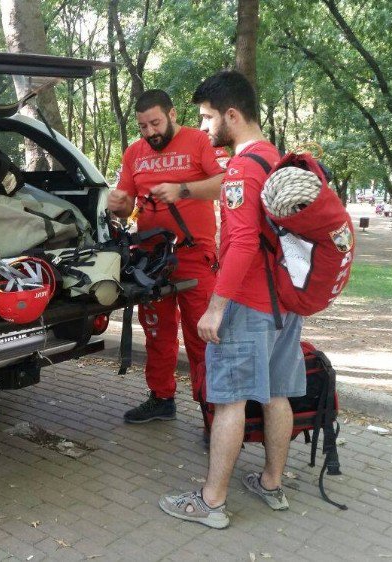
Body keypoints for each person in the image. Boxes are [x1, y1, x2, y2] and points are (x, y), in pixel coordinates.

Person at [158, 71, 305, 529]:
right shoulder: (274, 159)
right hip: (285, 301)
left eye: (207, 118)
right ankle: (271, 483)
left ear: (232, 115)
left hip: (249, 303)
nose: (203, 128)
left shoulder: (242, 168)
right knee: (277, 394)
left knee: (231, 402)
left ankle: (212, 502)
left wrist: (217, 308)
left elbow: (240, 244)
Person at [106, 89, 227, 423]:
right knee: (157, 331)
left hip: (194, 255)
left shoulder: (199, 142)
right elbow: (129, 207)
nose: (150, 132)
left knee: (202, 335)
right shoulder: (134, 153)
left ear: (172, 115)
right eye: (143, 126)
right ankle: (161, 397)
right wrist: (120, 207)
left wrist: (182, 189)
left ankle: (214, 413)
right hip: (151, 260)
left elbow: (226, 183)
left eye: (155, 123)